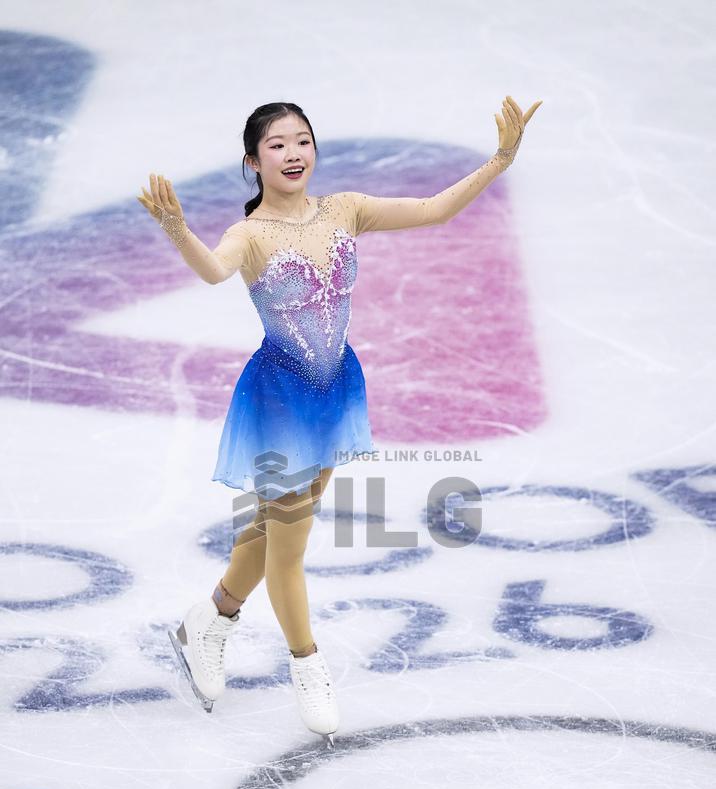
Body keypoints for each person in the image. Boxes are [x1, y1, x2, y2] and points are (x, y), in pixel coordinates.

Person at [137, 96, 541, 746]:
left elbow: (433, 210)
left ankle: (208, 622)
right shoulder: (251, 235)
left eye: (302, 140)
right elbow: (214, 271)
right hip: (280, 403)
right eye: (277, 145)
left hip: (335, 390)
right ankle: (308, 665)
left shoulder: (345, 210)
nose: (293, 153)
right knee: (290, 546)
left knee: (273, 527)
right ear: (253, 161)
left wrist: (500, 160)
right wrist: (177, 230)